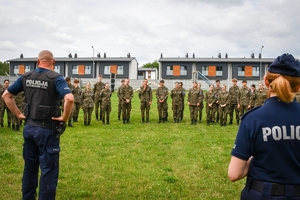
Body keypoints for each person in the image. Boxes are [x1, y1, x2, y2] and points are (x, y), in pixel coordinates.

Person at [2, 50, 74, 200]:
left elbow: (6, 95)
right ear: (53, 62)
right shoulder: (56, 78)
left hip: (29, 129)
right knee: (48, 170)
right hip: (47, 130)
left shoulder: (26, 77)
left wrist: (18, 114)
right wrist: (64, 118)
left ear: (37, 61)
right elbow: (69, 98)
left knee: (30, 168)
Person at [228, 53, 300, 199]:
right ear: (298, 86)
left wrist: (253, 159)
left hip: (262, 194)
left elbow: (234, 174)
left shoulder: (253, 119)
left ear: (266, 82)